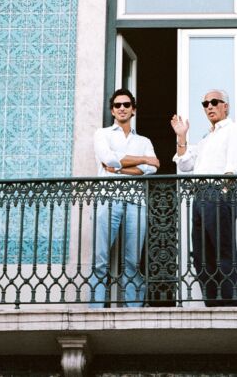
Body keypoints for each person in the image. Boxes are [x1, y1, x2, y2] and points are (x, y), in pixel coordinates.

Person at [171, 89, 237, 307]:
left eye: (214, 102)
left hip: (217, 194)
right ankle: (213, 304)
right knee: (202, 256)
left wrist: (223, 192)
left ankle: (233, 305)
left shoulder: (234, 131)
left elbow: (234, 167)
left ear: (226, 106)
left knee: (223, 250)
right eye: (205, 104)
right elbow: (185, 164)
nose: (209, 106)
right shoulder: (207, 139)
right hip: (200, 197)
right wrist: (182, 136)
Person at [90, 88, 158, 308]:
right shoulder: (102, 134)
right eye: (117, 105)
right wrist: (142, 160)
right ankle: (96, 308)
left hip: (136, 202)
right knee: (100, 259)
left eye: (126, 105)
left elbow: (152, 168)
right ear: (112, 110)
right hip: (107, 199)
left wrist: (118, 169)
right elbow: (108, 157)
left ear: (133, 110)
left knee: (132, 260)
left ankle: (134, 308)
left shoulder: (144, 140)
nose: (122, 108)